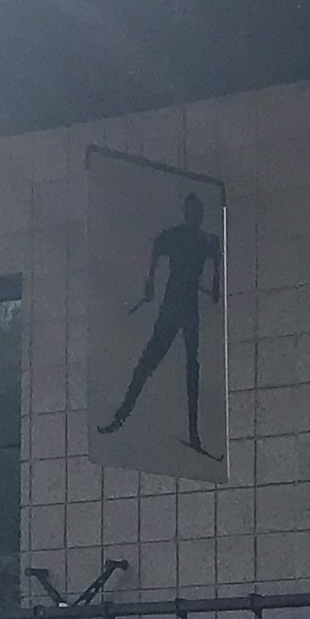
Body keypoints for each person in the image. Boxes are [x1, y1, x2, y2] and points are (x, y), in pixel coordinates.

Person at [99, 190, 222, 453]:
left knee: (173, 365)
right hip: (178, 304)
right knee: (172, 365)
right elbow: (213, 277)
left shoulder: (197, 239)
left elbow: (214, 274)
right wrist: (150, 282)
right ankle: (126, 417)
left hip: (181, 305)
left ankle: (191, 434)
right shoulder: (198, 239)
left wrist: (151, 283)